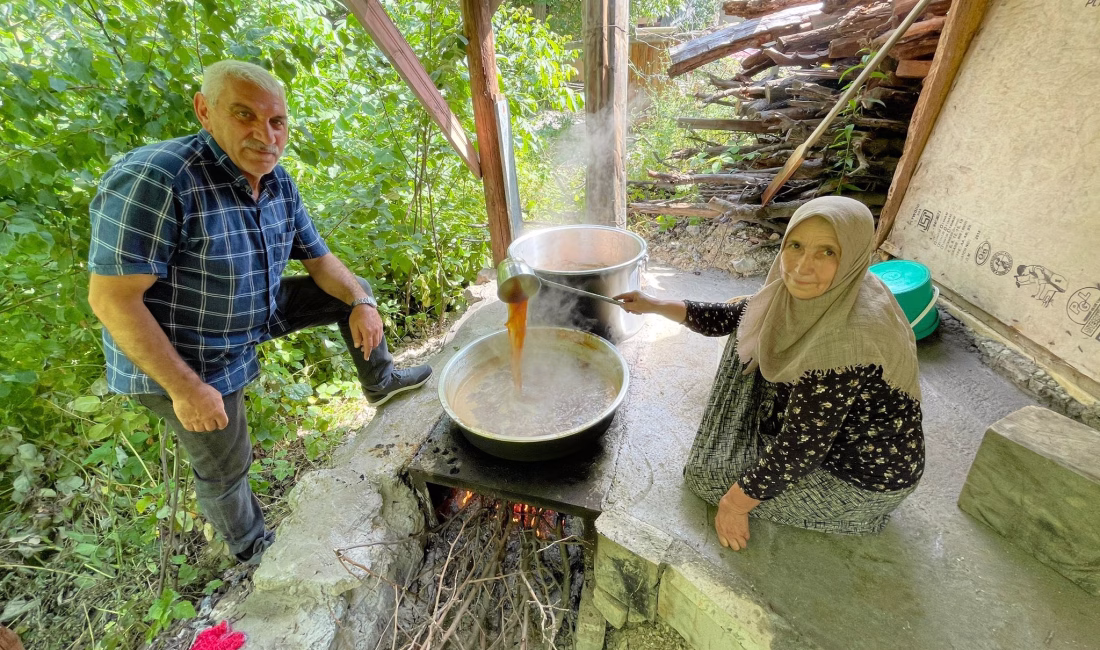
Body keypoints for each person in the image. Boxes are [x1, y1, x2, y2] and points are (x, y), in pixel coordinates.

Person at [87, 60, 432, 564]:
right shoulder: (157, 178)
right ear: (205, 111)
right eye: (245, 114)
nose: (265, 135)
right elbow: (112, 300)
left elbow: (321, 260)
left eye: (277, 122)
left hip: (253, 312)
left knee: (357, 292)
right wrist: (187, 390)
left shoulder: (277, 182)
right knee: (226, 463)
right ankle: (252, 550)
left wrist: (360, 302)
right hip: (187, 354)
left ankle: (379, 381)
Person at [617, 196, 924, 550]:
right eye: (796, 246)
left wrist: (735, 504)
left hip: (859, 476)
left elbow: (801, 449)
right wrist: (653, 305)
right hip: (825, 431)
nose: (802, 267)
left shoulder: (846, 342)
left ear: (854, 255)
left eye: (828, 252)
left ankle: (857, 515)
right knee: (750, 328)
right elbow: (734, 317)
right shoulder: (829, 290)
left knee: (704, 478)